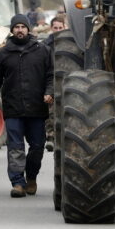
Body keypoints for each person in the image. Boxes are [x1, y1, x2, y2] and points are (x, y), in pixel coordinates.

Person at [0, 14, 54, 197]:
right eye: (16, 27)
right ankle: (18, 183)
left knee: (37, 146)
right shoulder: (4, 54)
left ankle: (31, 177)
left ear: (28, 29)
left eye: (23, 27)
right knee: (15, 147)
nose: (20, 30)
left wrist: (49, 92)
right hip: (13, 108)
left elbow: (51, 76)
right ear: (12, 30)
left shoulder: (42, 51)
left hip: (37, 108)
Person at [44, 16, 67, 152]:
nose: (58, 30)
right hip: (51, 79)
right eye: (55, 28)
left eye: (60, 28)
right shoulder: (46, 45)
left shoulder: (74, 43)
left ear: (65, 27)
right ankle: (51, 137)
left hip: (66, 78)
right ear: (51, 28)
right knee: (51, 111)